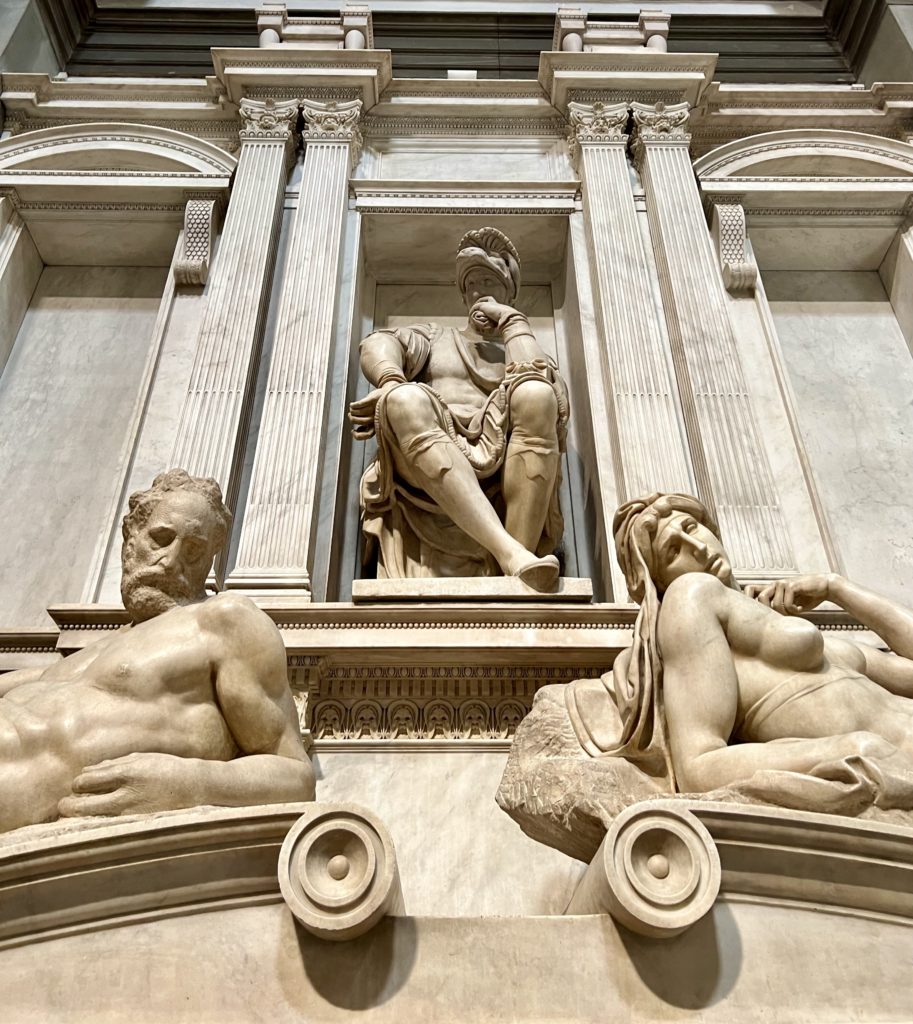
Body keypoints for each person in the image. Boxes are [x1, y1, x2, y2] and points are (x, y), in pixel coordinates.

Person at [0, 469, 313, 835]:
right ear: (129, 538)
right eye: (161, 539)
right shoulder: (81, 658)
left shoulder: (223, 621)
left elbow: (294, 776)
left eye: (194, 552)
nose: (170, 562)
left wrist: (187, 783)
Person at [565, 492, 913, 813]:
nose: (696, 548)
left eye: (692, 528)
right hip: (893, 766)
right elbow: (699, 767)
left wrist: (835, 587)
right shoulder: (690, 599)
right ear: (658, 583)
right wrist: (851, 750)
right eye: (673, 551)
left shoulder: (807, 636)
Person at [349, 227, 569, 590]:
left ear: (508, 291)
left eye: (488, 280)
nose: (478, 291)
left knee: (537, 395)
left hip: (505, 457)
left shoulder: (525, 349)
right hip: (427, 448)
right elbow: (378, 343)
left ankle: (516, 560)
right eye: (470, 283)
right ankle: (510, 555)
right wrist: (389, 379)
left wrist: (513, 323)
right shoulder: (436, 337)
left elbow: (548, 396)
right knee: (403, 398)